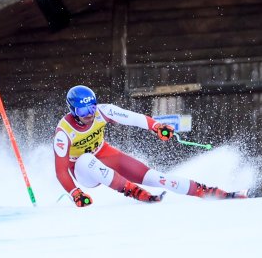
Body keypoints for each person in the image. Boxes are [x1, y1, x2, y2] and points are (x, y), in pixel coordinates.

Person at [53, 85, 246, 207]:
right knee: (86, 160)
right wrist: (75, 193)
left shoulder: (103, 112)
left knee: (156, 177)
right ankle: (135, 192)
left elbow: (133, 118)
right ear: (73, 110)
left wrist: (156, 126)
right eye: (83, 109)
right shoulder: (63, 133)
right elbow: (61, 171)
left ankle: (210, 192)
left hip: (104, 155)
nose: (89, 113)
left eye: (92, 107)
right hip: (83, 170)